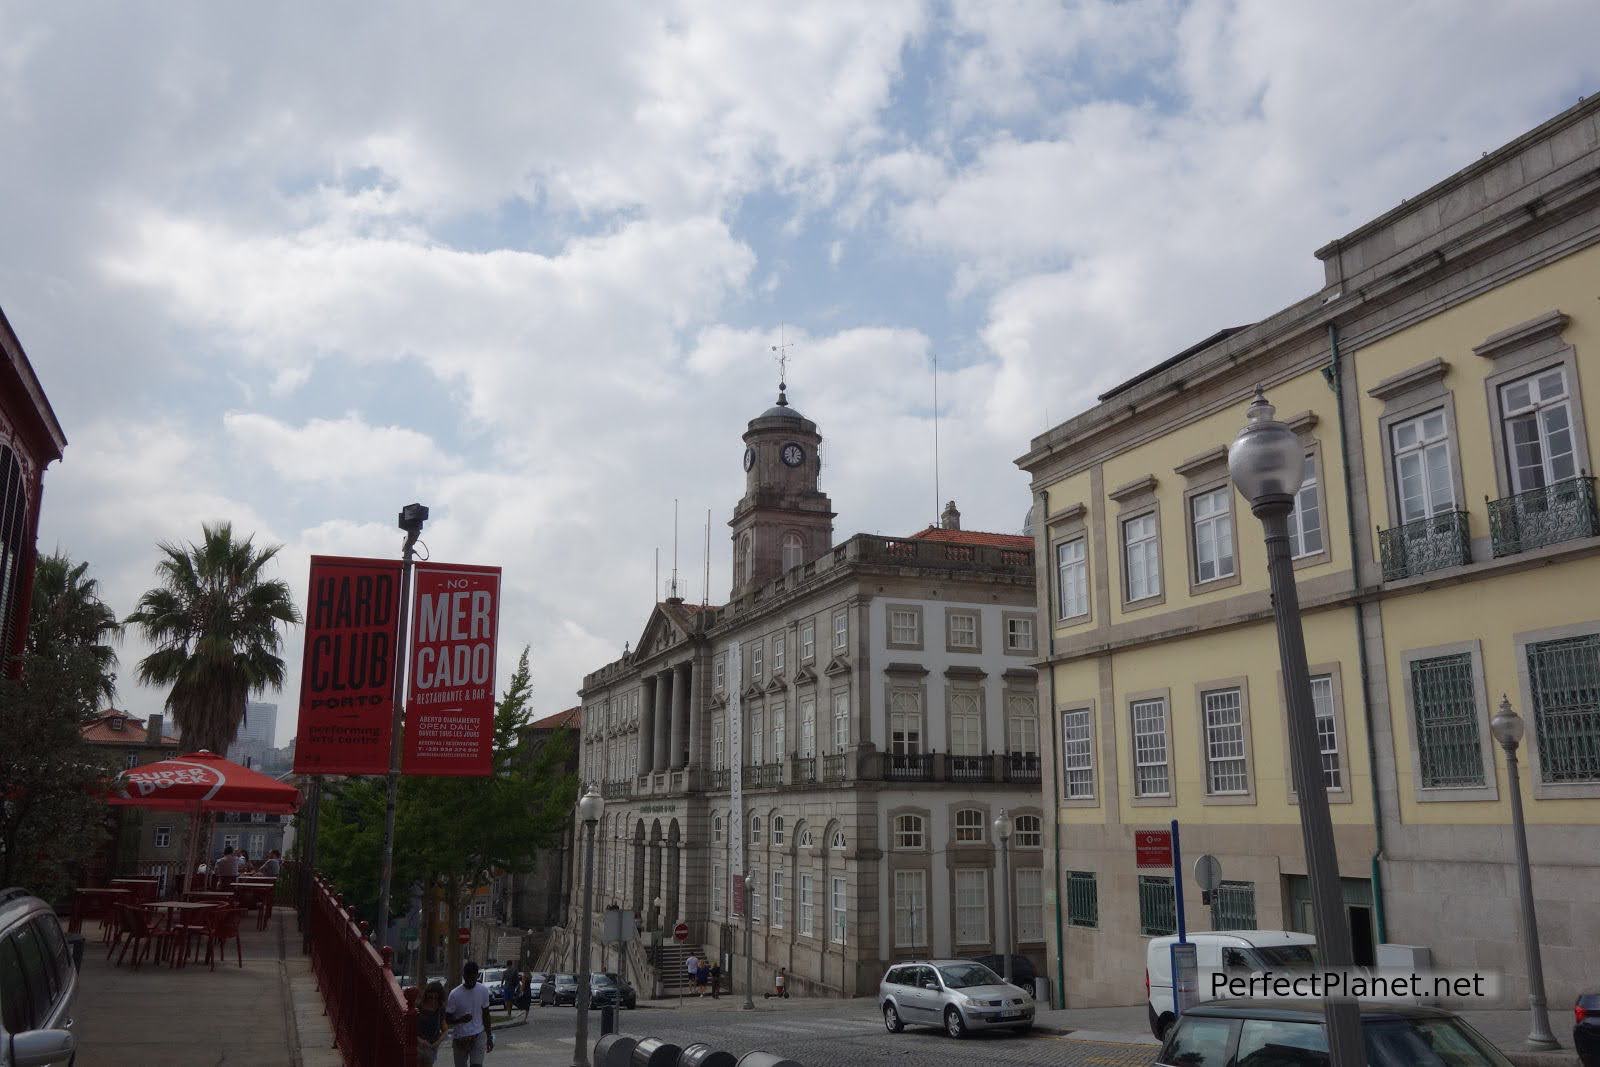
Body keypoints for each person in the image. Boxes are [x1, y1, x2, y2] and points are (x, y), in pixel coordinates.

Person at [445, 961, 494, 1066]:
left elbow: (486, 1014)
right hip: (460, 1037)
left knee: (476, 1065)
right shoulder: (455, 994)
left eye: (473, 977)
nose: (471, 980)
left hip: (478, 1034)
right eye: (468, 977)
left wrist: (489, 1037)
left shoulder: (483, 990)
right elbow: (447, 1019)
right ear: (464, 975)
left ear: (477, 975)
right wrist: (460, 1020)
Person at [416, 981, 448, 1066]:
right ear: (426, 995)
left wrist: (437, 1043)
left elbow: (445, 1030)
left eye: (436, 998)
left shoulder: (440, 1009)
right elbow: (411, 1029)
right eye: (430, 997)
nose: (433, 1000)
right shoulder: (419, 1007)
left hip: (432, 1045)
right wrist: (421, 1041)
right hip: (418, 1044)